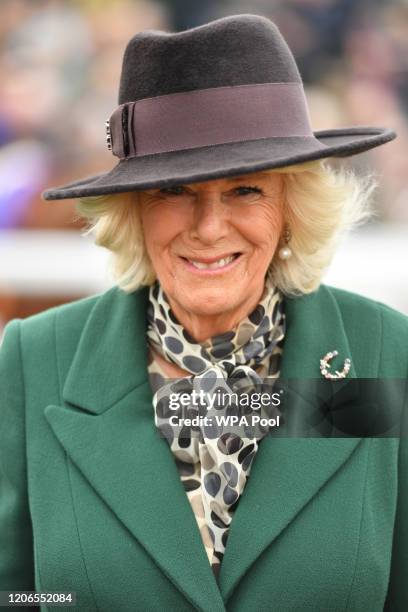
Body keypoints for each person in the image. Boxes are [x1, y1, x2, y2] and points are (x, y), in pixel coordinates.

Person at [0, 13, 407, 612]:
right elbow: (20, 595)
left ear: (292, 206)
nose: (209, 228)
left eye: (246, 189)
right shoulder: (35, 361)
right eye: (174, 191)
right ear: (132, 209)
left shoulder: (384, 355)